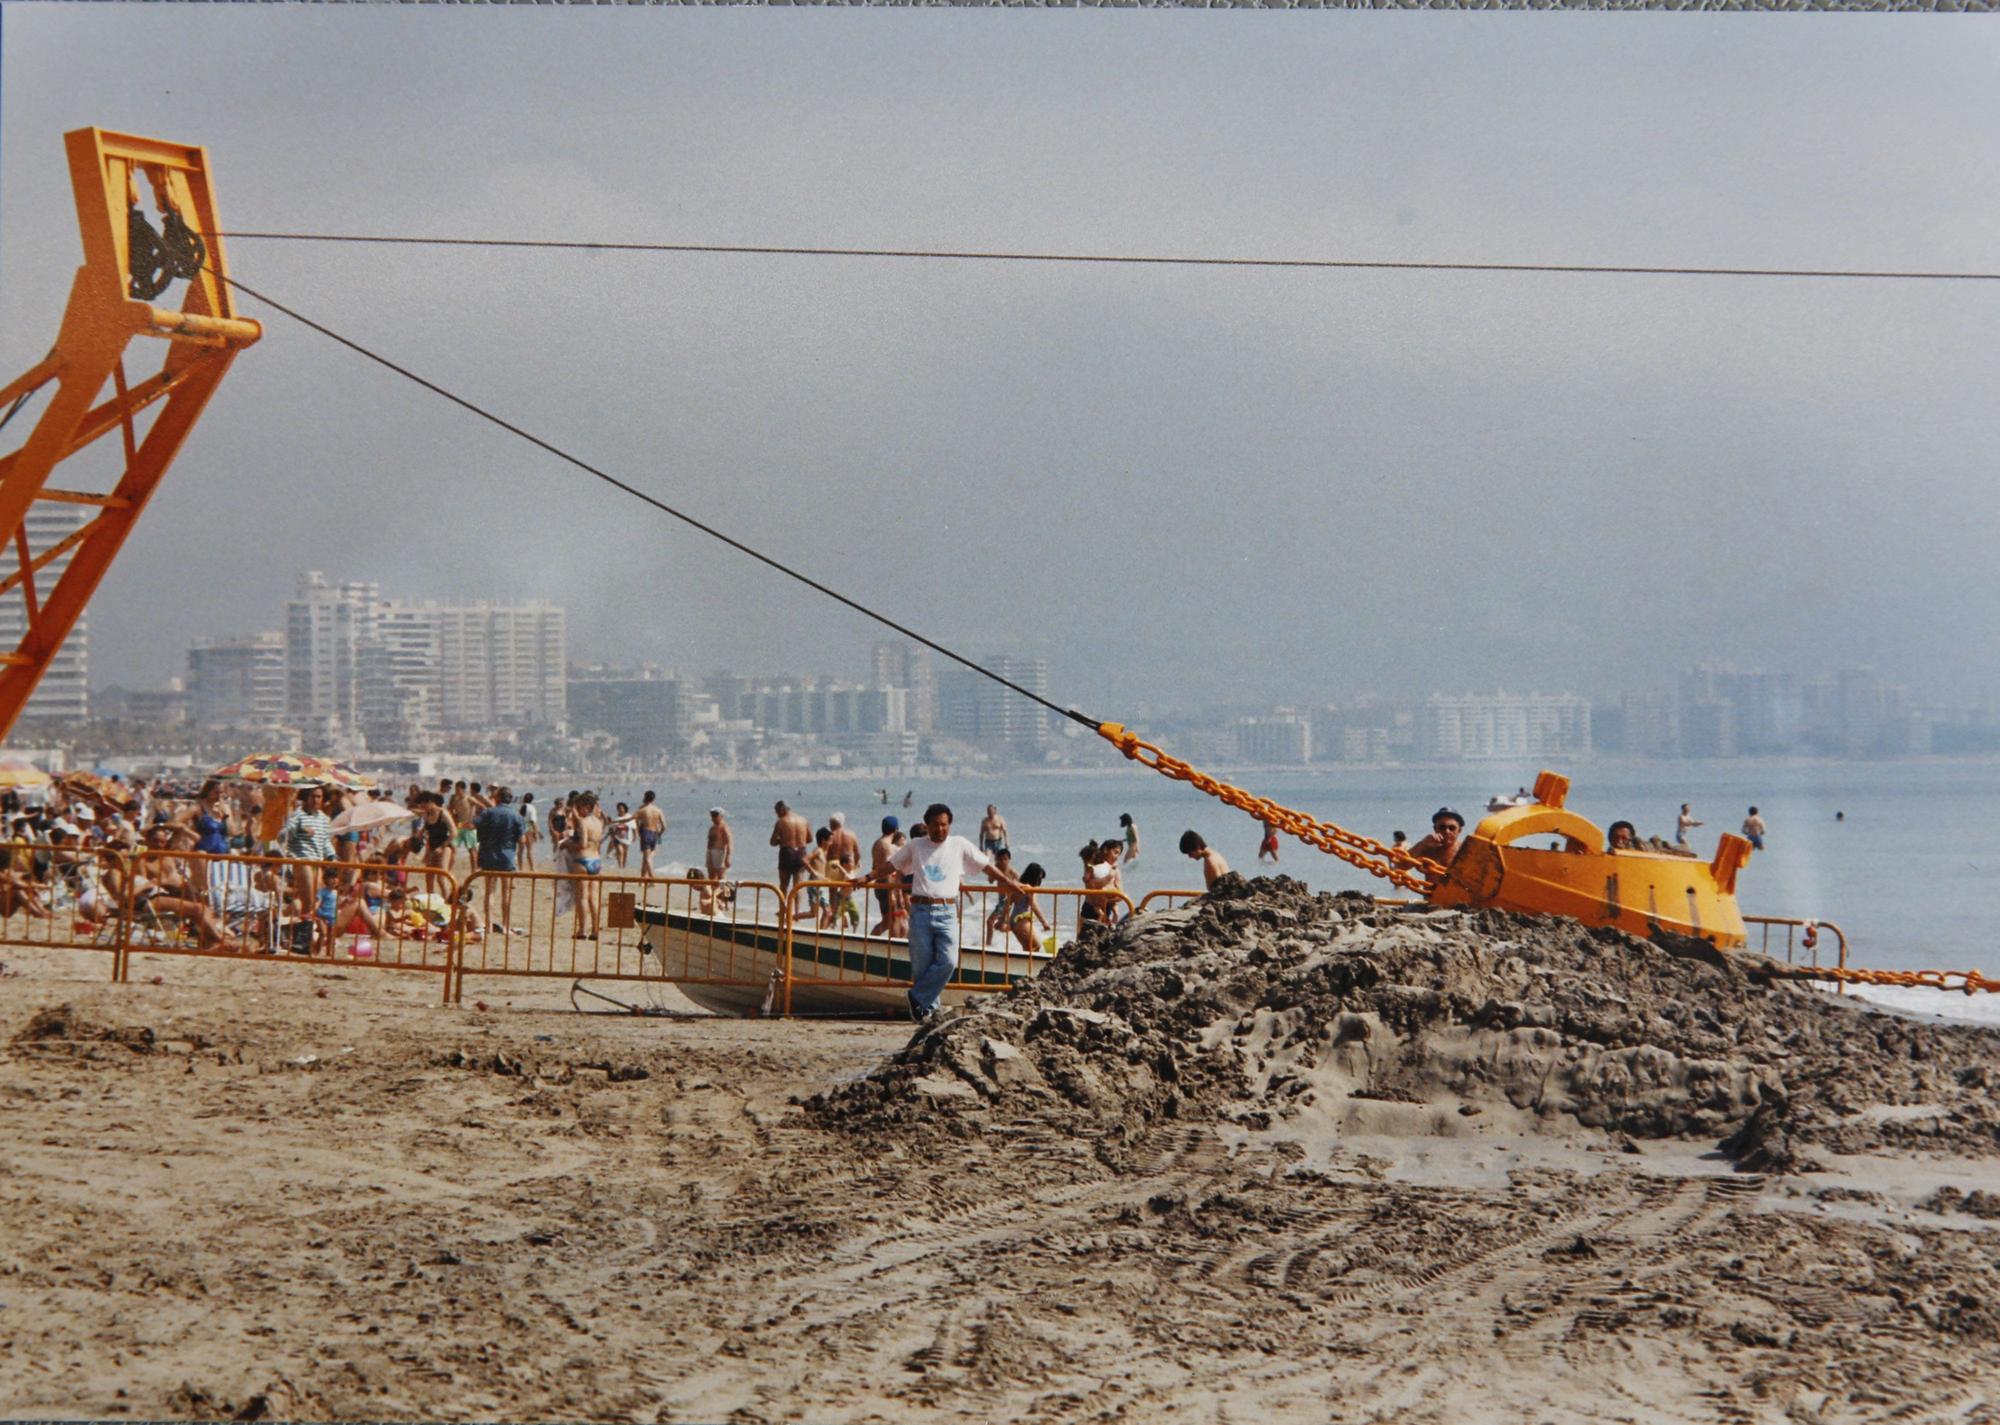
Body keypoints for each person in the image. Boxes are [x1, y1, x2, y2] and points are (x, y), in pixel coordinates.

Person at [876, 803, 1037, 1024]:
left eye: (944, 825)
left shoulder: (959, 844)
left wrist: (1009, 882)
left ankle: (917, 997)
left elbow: (986, 865)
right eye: (936, 825)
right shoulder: (916, 845)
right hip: (921, 910)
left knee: (949, 961)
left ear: (949, 824)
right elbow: (891, 865)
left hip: (947, 911)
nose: (940, 829)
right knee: (922, 967)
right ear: (927, 825)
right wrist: (867, 878)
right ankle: (927, 1013)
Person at [280, 786, 336, 947]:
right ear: (305, 797)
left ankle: (300, 936)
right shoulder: (297, 815)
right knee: (308, 901)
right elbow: (282, 836)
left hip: (317, 861)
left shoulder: (324, 819)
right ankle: (302, 939)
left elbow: (325, 841)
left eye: (319, 797)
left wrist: (332, 855)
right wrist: (298, 829)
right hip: (301, 859)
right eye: (313, 796)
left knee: (313, 903)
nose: (316, 800)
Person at [474, 788, 527, 933]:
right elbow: (522, 840)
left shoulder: (488, 813)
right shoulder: (516, 815)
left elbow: (475, 824)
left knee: (489, 892)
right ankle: (505, 925)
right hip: (507, 857)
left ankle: (489, 925)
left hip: (488, 855)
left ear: (497, 798)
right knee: (506, 893)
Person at [566, 792, 606, 940]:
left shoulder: (584, 822)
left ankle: (582, 929)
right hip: (596, 860)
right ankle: (595, 930)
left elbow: (582, 844)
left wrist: (568, 844)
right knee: (594, 897)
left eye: (579, 807)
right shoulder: (598, 822)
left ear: (585, 807)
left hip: (582, 860)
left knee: (582, 897)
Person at [867, 815, 902, 937]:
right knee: (893, 920)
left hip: (879, 884)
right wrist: (891, 891)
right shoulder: (886, 845)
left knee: (887, 921)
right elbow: (886, 869)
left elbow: (874, 866)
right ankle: (874, 941)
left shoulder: (877, 843)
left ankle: (871, 940)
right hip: (886, 885)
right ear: (896, 829)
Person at [770, 800, 811, 895]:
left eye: (777, 812)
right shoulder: (803, 820)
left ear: (782, 810)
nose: (777, 815)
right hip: (801, 852)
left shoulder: (781, 822)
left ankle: (783, 908)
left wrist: (781, 841)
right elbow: (810, 838)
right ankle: (796, 909)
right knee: (798, 886)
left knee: (784, 885)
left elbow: (772, 842)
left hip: (787, 852)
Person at [634, 791, 667, 878]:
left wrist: (638, 831)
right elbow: (664, 826)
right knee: (646, 857)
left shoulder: (642, 809)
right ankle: (642, 879)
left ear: (645, 797)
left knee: (647, 858)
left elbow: (636, 821)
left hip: (646, 831)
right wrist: (659, 834)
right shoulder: (658, 810)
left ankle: (652, 878)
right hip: (655, 833)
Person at [705, 807, 733, 885]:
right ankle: (713, 893)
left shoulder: (724, 828)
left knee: (721, 876)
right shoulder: (712, 828)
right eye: (712, 815)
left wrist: (727, 857)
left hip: (720, 852)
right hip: (710, 852)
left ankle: (723, 893)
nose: (713, 817)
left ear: (721, 816)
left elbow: (729, 842)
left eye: (715, 815)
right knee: (711, 875)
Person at [606, 801, 636, 870]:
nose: (620, 810)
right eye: (618, 808)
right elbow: (611, 828)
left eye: (621, 808)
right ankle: (620, 867)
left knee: (625, 853)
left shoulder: (629, 817)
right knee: (620, 851)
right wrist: (612, 837)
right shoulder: (615, 818)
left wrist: (635, 836)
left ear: (625, 809)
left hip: (627, 838)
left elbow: (634, 828)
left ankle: (624, 867)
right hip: (617, 838)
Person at [518, 792, 540, 871]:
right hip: (529, 830)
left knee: (520, 850)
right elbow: (533, 821)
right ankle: (532, 867)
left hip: (521, 829)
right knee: (529, 850)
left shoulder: (521, 807)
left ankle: (520, 868)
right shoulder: (532, 808)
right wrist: (536, 833)